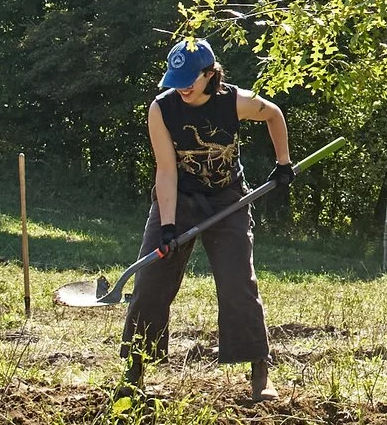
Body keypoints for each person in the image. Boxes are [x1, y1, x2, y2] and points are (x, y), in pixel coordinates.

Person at [119, 36, 293, 400]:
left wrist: (283, 164)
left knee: (237, 282)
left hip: (228, 198)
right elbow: (166, 171)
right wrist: (167, 226)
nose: (181, 88)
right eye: (175, 80)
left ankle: (260, 370)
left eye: (189, 81)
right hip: (179, 200)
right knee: (151, 279)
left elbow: (274, 114)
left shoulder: (235, 101)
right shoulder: (161, 109)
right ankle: (135, 368)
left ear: (209, 74)